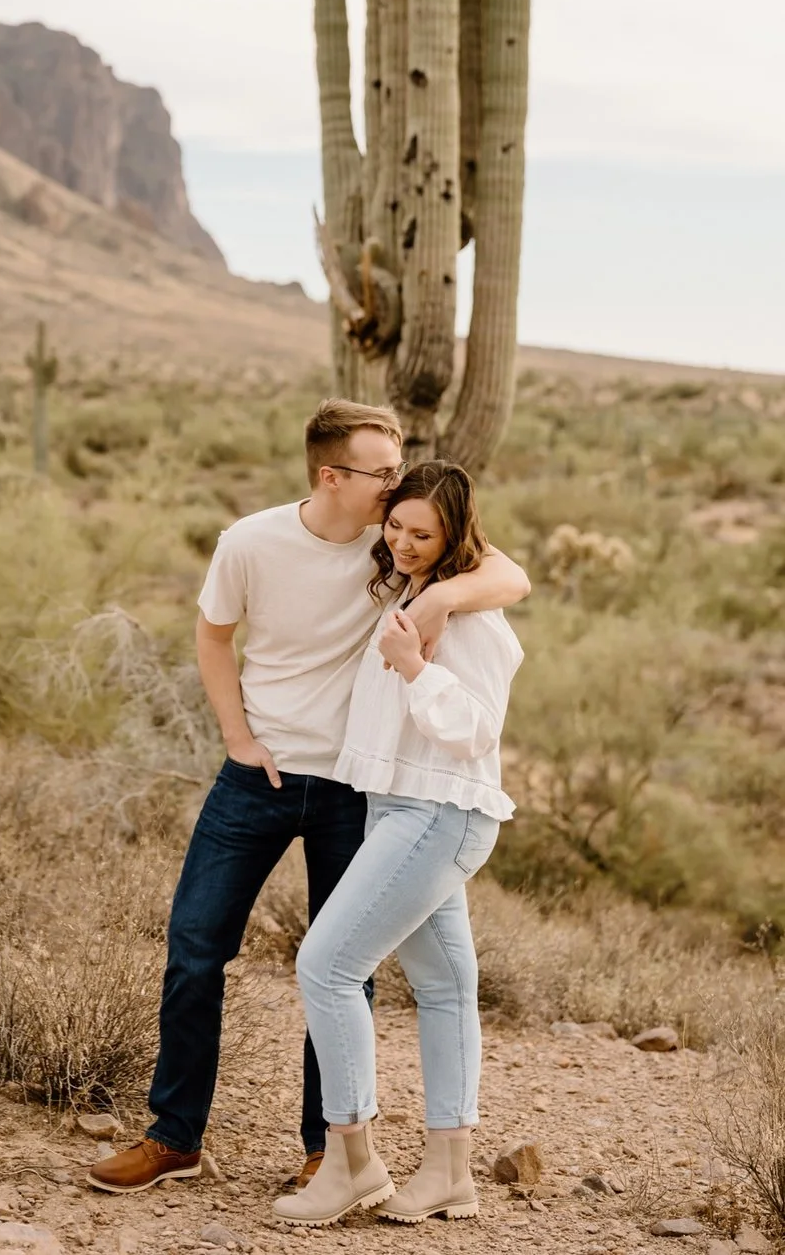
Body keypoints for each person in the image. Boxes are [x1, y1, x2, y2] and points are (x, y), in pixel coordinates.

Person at [84, 399, 530, 1198]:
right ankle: (172, 1135)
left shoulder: (400, 537)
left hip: (358, 789)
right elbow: (212, 635)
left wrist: (436, 600)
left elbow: (507, 573)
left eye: (400, 470)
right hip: (256, 777)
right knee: (194, 948)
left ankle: (330, 1148)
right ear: (333, 474)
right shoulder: (252, 541)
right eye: (383, 472)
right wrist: (236, 736)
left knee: (342, 967)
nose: (396, 490)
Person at [272, 461, 521, 1227]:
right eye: (398, 527)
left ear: (455, 534)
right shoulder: (412, 592)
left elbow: (476, 730)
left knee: (326, 963)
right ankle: (451, 1173)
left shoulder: (471, 617)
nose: (406, 543)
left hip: (438, 812)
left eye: (425, 533)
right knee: (445, 987)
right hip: (398, 809)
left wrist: (415, 668)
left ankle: (351, 1162)